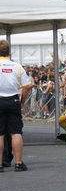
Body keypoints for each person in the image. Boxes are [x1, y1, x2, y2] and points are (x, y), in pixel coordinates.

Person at [0, 40, 31, 172]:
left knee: (0, 134)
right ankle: (18, 163)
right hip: (13, 100)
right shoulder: (17, 66)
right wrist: (22, 102)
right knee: (16, 132)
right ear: (9, 52)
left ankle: (0, 164)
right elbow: (26, 87)